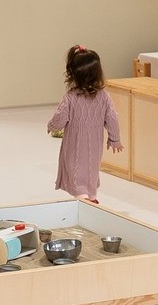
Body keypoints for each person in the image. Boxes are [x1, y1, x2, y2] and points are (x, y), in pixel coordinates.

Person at [47, 45, 122, 203]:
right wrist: (114, 139)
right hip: (95, 145)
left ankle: (86, 201)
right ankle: (92, 196)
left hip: (75, 145)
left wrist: (52, 126)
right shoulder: (104, 97)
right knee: (90, 172)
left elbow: (60, 117)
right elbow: (113, 118)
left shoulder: (71, 97)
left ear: (73, 74)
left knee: (76, 172)